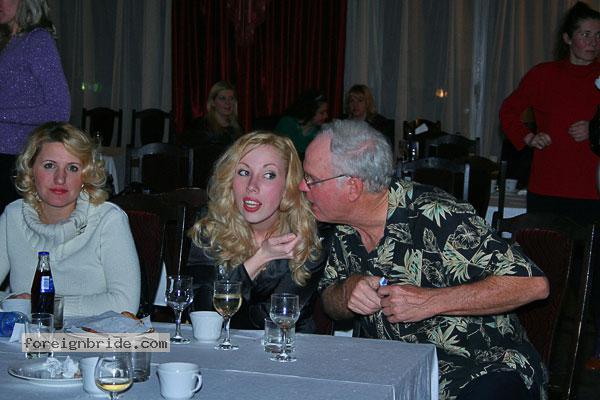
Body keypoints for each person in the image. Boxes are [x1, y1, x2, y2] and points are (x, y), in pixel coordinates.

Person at [300, 119, 549, 399]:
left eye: (311, 179)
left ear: (353, 187)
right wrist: (347, 292)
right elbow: (330, 302)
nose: (301, 186)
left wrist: (431, 301)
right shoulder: (340, 228)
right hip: (393, 373)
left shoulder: (437, 216)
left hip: (480, 367)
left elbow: (533, 284)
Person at [187, 132, 326, 332]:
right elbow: (203, 315)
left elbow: (272, 322)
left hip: (288, 348)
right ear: (230, 180)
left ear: (287, 186)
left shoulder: (306, 238)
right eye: (244, 172)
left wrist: (236, 281)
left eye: (269, 175)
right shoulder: (212, 226)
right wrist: (258, 259)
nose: (252, 186)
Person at [0, 122, 140, 317]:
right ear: (31, 171)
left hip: (93, 336)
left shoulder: (109, 220)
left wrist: (42, 304)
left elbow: (125, 304)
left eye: (73, 168)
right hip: (31, 335)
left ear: (85, 175)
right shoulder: (13, 216)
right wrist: (11, 301)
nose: (60, 178)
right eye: (49, 166)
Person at [499, 1, 600, 225]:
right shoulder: (544, 75)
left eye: (598, 35)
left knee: (587, 249)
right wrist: (528, 137)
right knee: (543, 248)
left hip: (592, 190)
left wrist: (593, 129)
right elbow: (508, 111)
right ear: (567, 38)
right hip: (548, 187)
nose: (593, 42)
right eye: (586, 34)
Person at [0, 0, 71, 214]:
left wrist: (2, 113)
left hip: (17, 161)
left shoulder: (37, 40)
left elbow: (60, 109)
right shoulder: (7, 41)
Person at [181, 81, 243, 188]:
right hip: (204, 182)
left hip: (229, 180)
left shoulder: (237, 129)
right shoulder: (201, 126)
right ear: (213, 102)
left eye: (231, 98)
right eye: (222, 98)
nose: (228, 103)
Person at [275, 89, 328, 160]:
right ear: (309, 111)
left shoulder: (320, 132)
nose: (326, 116)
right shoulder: (287, 124)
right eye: (321, 113)